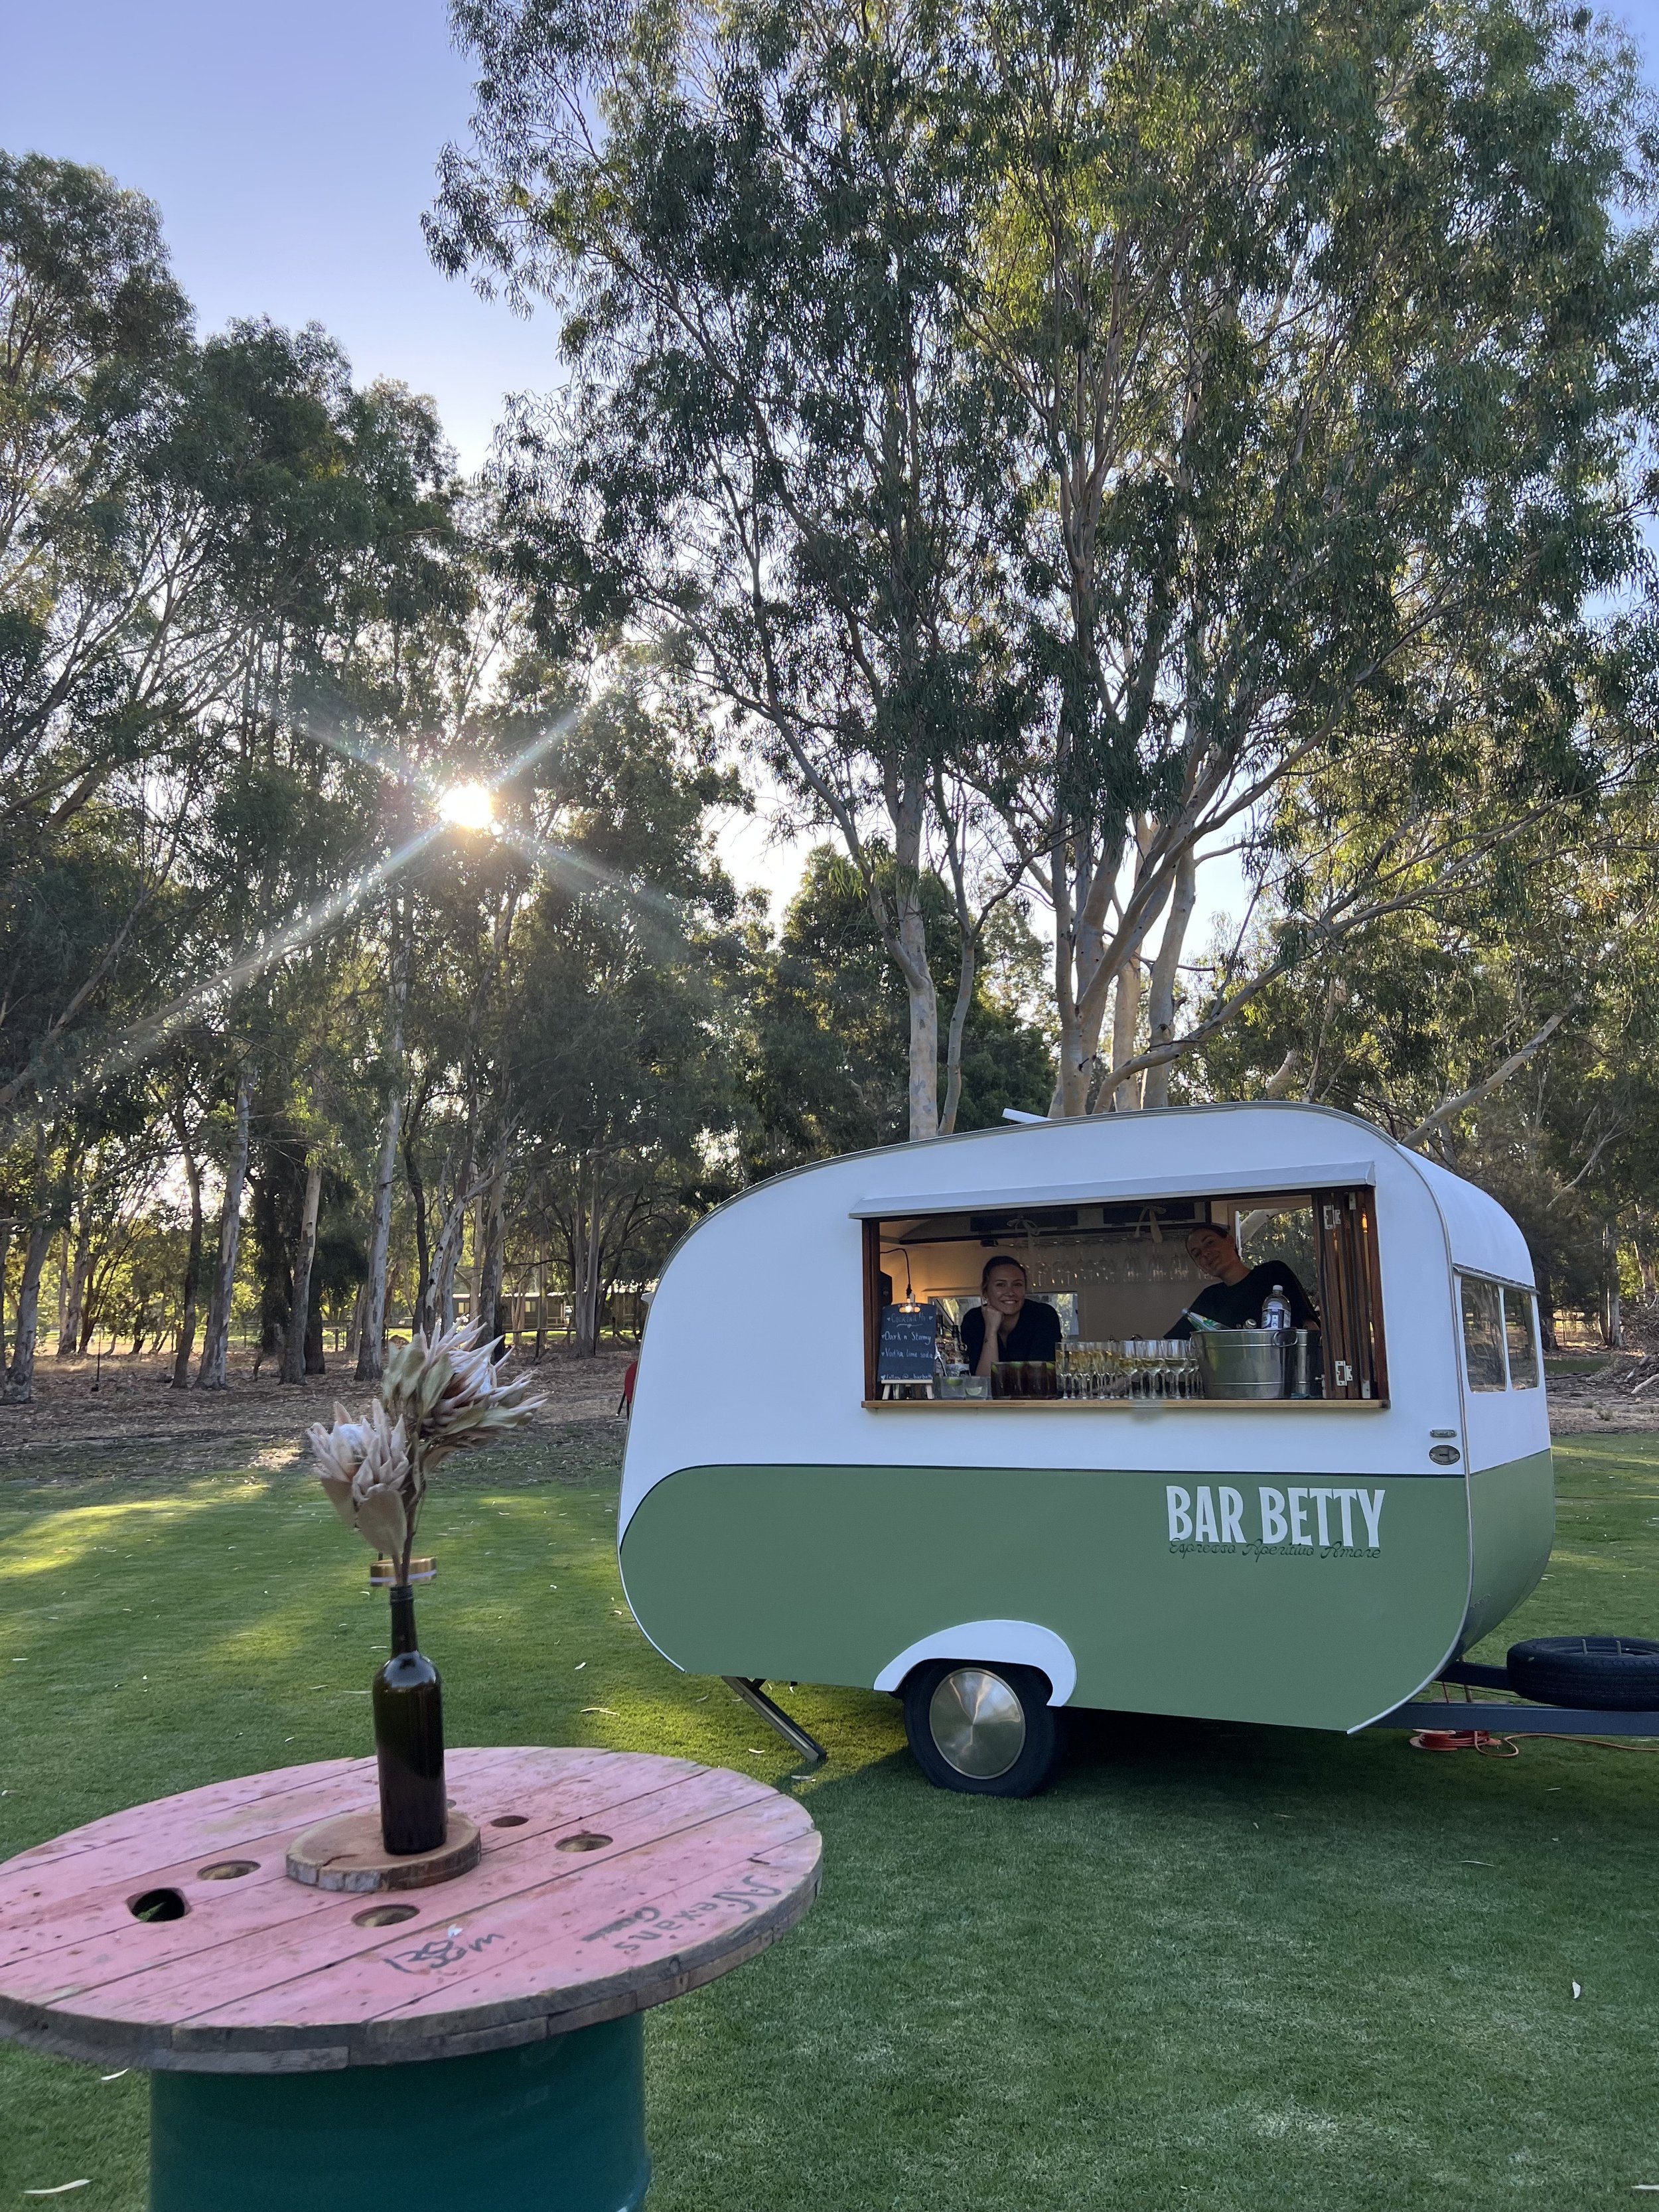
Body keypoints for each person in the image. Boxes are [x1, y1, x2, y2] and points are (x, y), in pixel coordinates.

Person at [1166, 1222, 1318, 1337]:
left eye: (1210, 1243)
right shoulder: (1209, 1299)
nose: (1205, 1253)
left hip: (1286, 1365)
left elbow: (1309, 1326)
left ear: (1230, 1241)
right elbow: (1175, 1343)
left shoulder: (1273, 1273)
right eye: (1197, 1254)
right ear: (1200, 1267)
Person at [962, 1255, 1062, 1376]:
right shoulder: (973, 1320)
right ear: (985, 1291)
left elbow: (1040, 1375)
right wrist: (991, 1331)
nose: (1010, 1292)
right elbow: (984, 1380)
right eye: (1001, 1285)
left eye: (1017, 1285)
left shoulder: (1043, 1315)